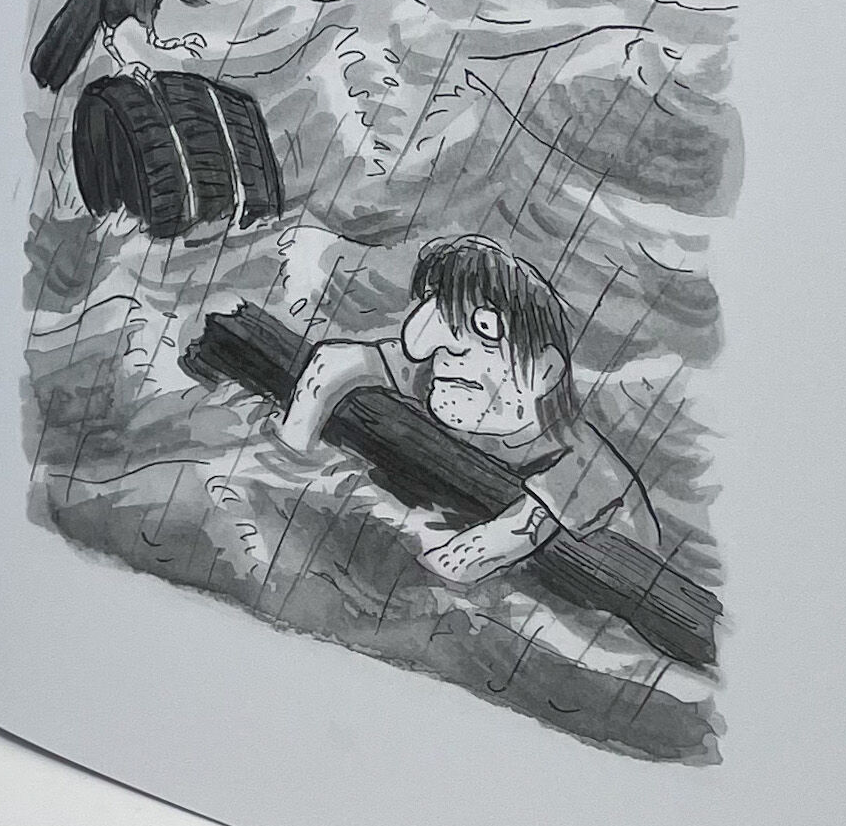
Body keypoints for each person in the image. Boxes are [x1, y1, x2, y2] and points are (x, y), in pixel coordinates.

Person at [274, 233, 658, 585]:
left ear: (546, 369)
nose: (443, 352)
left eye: (486, 330)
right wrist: (294, 449)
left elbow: (469, 558)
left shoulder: (584, 463)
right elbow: (334, 361)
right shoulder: (444, 379)